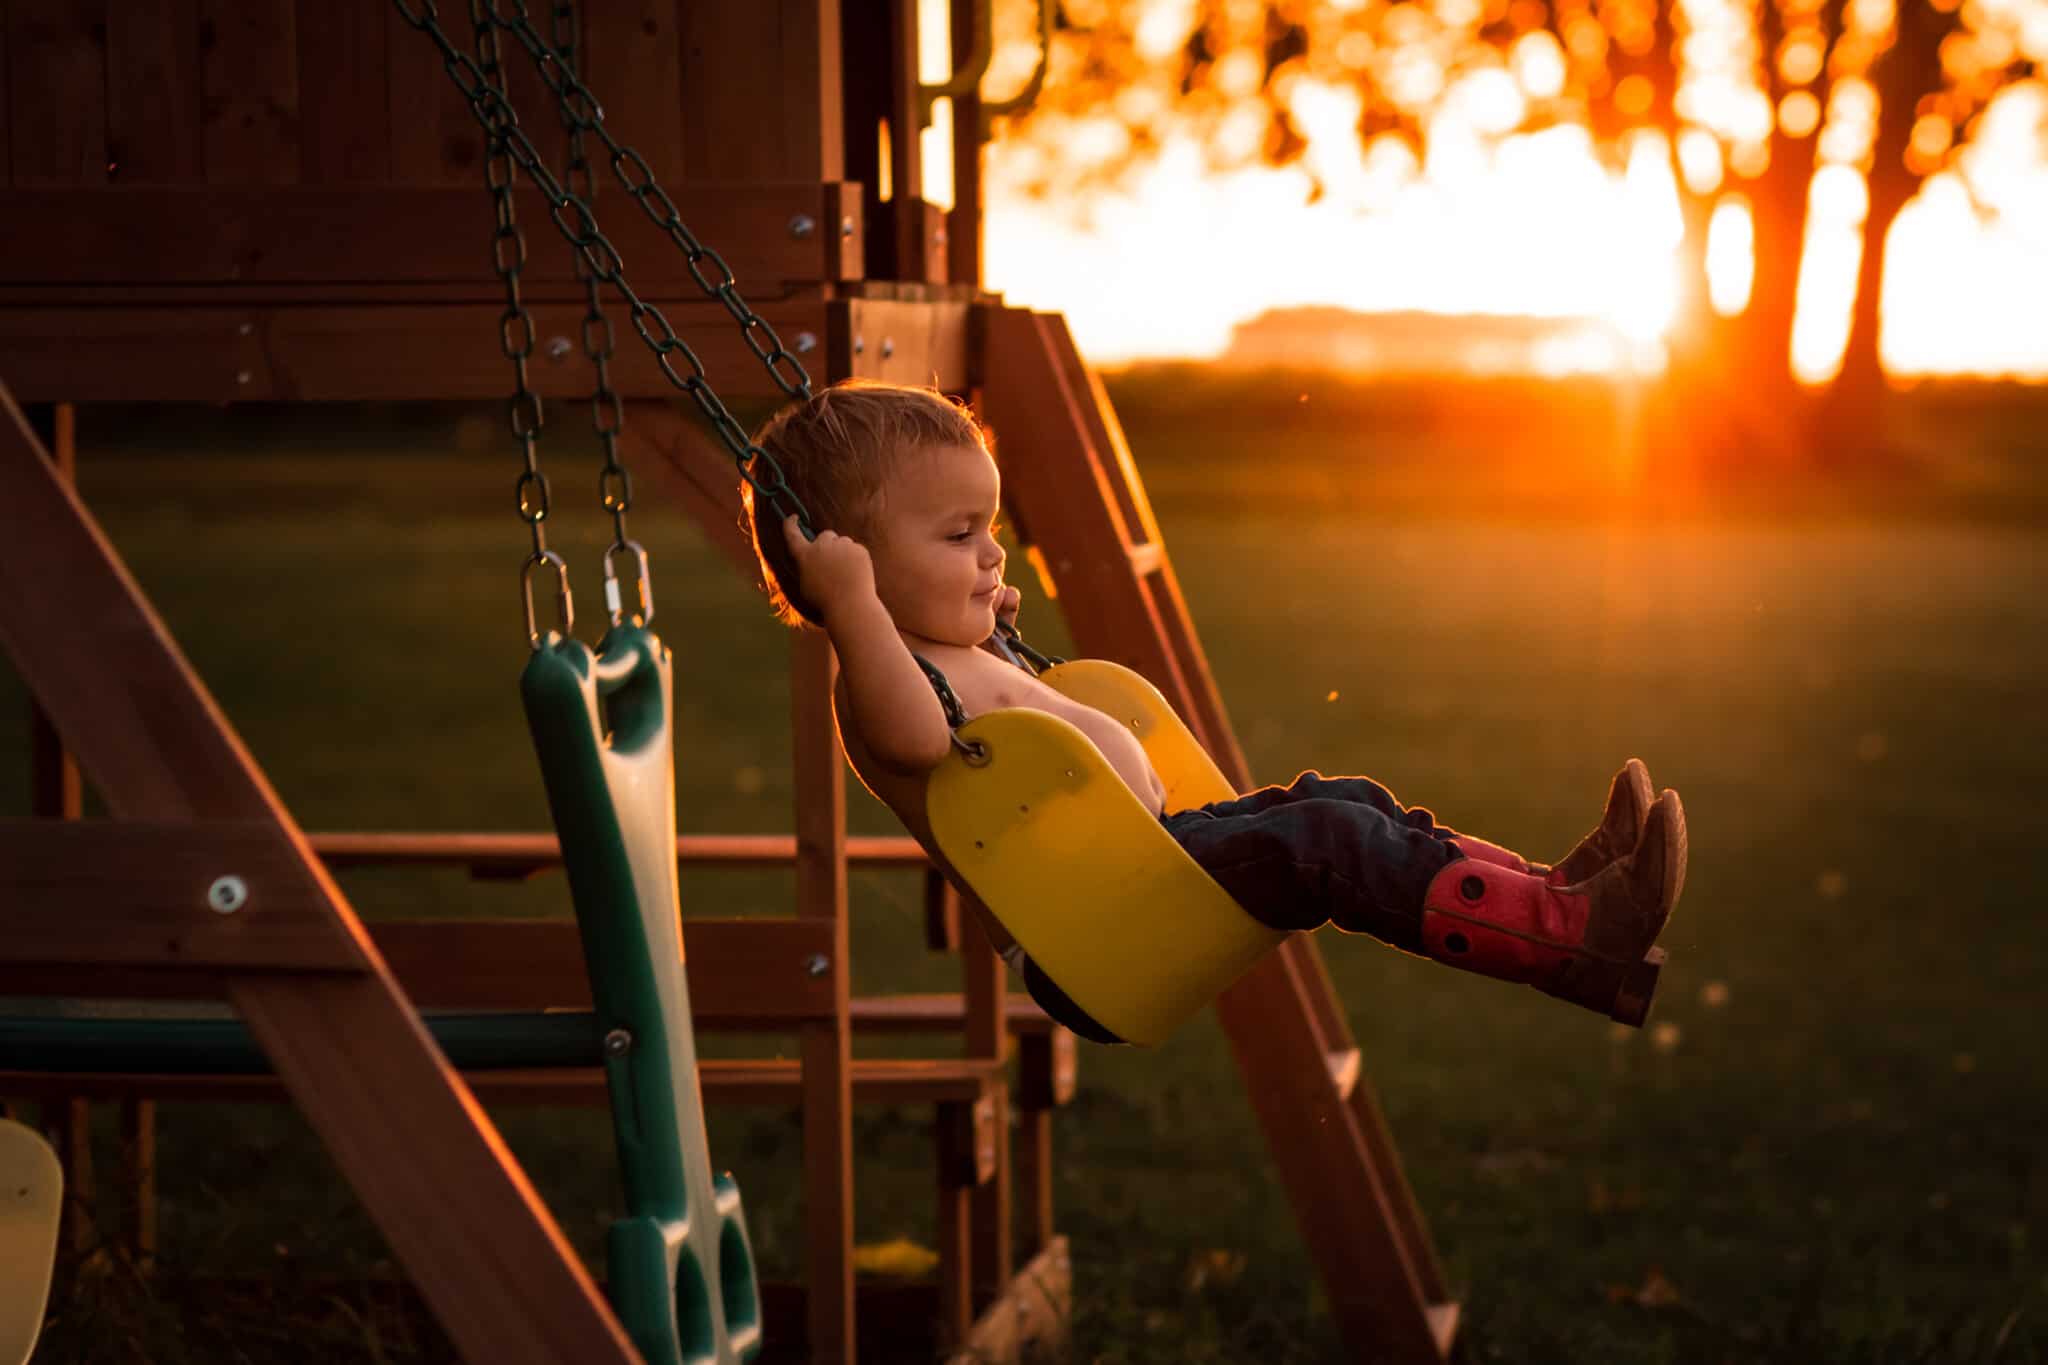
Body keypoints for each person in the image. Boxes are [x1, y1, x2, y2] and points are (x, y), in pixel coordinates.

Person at [743, 379, 1687, 1039]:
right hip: (1105, 930)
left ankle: (1557, 903)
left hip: (1158, 859)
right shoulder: (876, 677)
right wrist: (854, 608)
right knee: (1325, 837)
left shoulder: (938, 649)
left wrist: (984, 632)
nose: (993, 555)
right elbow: (916, 736)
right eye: (959, 536)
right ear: (847, 563)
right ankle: (1566, 935)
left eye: (990, 529)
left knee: (1342, 798)